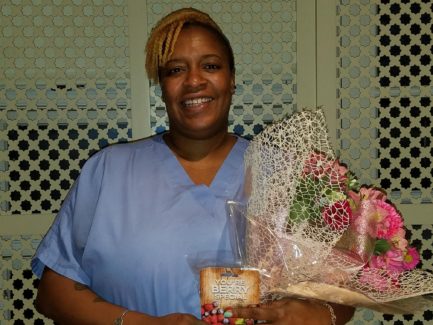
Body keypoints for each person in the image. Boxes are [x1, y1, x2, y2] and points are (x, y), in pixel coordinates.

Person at [32, 8, 354, 325]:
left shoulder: (286, 174)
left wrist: (316, 315)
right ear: (162, 87)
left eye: (211, 66)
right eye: (175, 70)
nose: (194, 81)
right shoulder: (108, 172)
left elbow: (346, 291)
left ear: (231, 80)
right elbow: (53, 292)